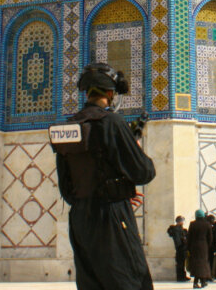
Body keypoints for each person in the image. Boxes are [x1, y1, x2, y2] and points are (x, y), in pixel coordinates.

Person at [52, 63, 155, 290]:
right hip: (112, 216)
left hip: (80, 219)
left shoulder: (68, 127)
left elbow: (67, 188)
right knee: (131, 281)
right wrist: (136, 149)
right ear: (110, 93)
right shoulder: (113, 123)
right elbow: (144, 172)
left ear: (86, 92)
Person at [187, 210, 212, 288]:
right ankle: (203, 282)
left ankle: (197, 282)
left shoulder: (192, 224)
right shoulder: (207, 224)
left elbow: (189, 236)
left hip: (194, 246)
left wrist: (189, 247)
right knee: (203, 264)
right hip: (204, 246)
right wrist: (208, 246)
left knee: (196, 264)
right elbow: (210, 237)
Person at [167, 216, 189, 283]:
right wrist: (183, 243)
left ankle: (182, 276)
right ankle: (180, 277)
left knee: (182, 263)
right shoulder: (177, 229)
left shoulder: (179, 229)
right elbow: (178, 240)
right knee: (180, 263)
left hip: (181, 248)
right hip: (181, 248)